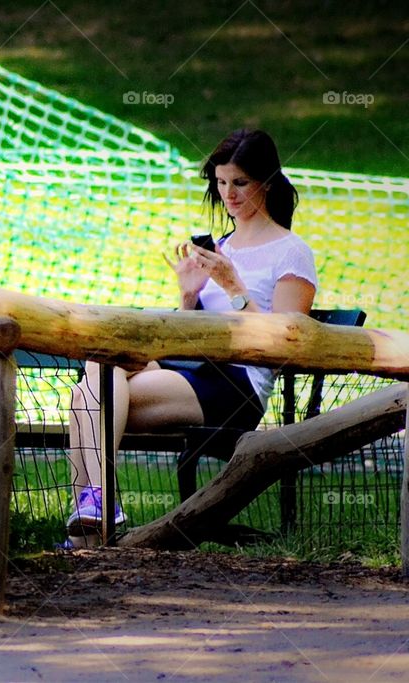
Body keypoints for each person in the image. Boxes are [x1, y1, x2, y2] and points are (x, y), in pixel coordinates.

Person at [66, 129, 317, 546]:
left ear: (267, 183)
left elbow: (283, 345)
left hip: (237, 385)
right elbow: (189, 333)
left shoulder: (291, 251)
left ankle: (93, 527)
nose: (228, 195)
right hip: (190, 367)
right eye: (221, 183)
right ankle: (96, 515)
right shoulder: (220, 247)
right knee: (98, 372)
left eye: (239, 183)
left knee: (89, 396)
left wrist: (234, 287)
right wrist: (189, 295)